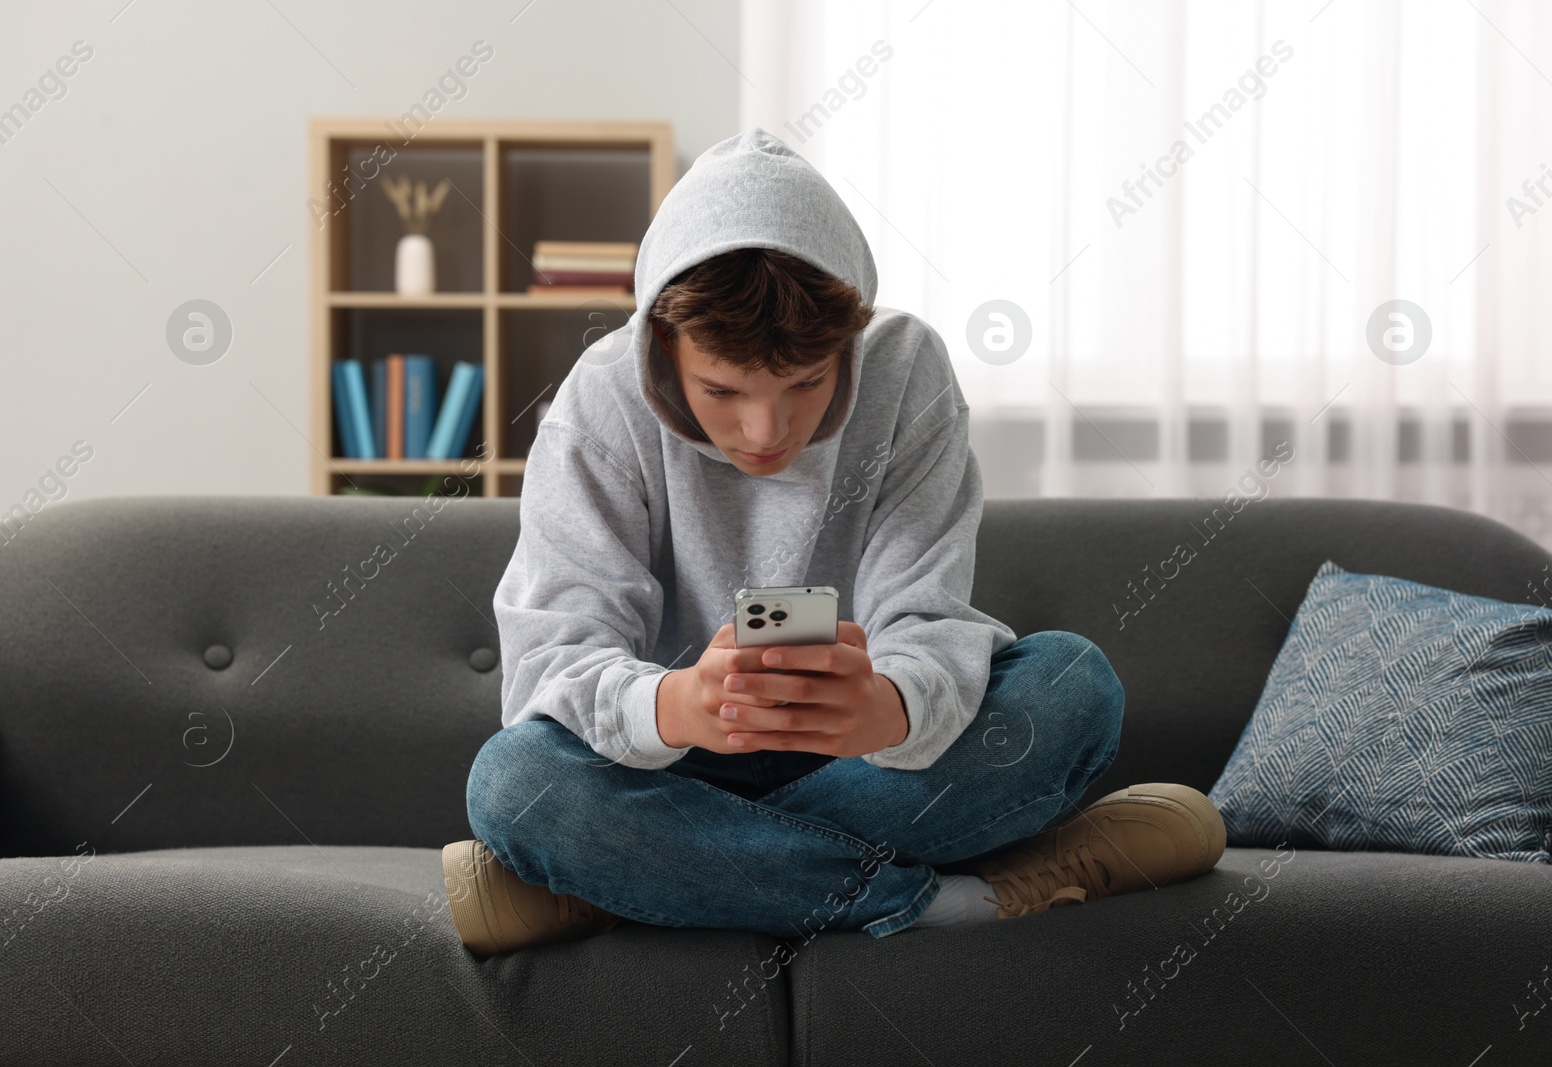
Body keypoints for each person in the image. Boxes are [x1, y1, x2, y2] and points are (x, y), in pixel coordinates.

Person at [441, 129, 1224, 957]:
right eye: (722, 390)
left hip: (871, 763)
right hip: (673, 769)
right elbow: (549, 664)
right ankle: (942, 901)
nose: (766, 429)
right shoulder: (602, 397)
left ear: (850, 335)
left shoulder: (907, 368)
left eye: (806, 382)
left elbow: (926, 618)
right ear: (663, 345)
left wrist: (888, 709)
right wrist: (680, 704)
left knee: (1073, 685)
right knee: (515, 783)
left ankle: (643, 886)